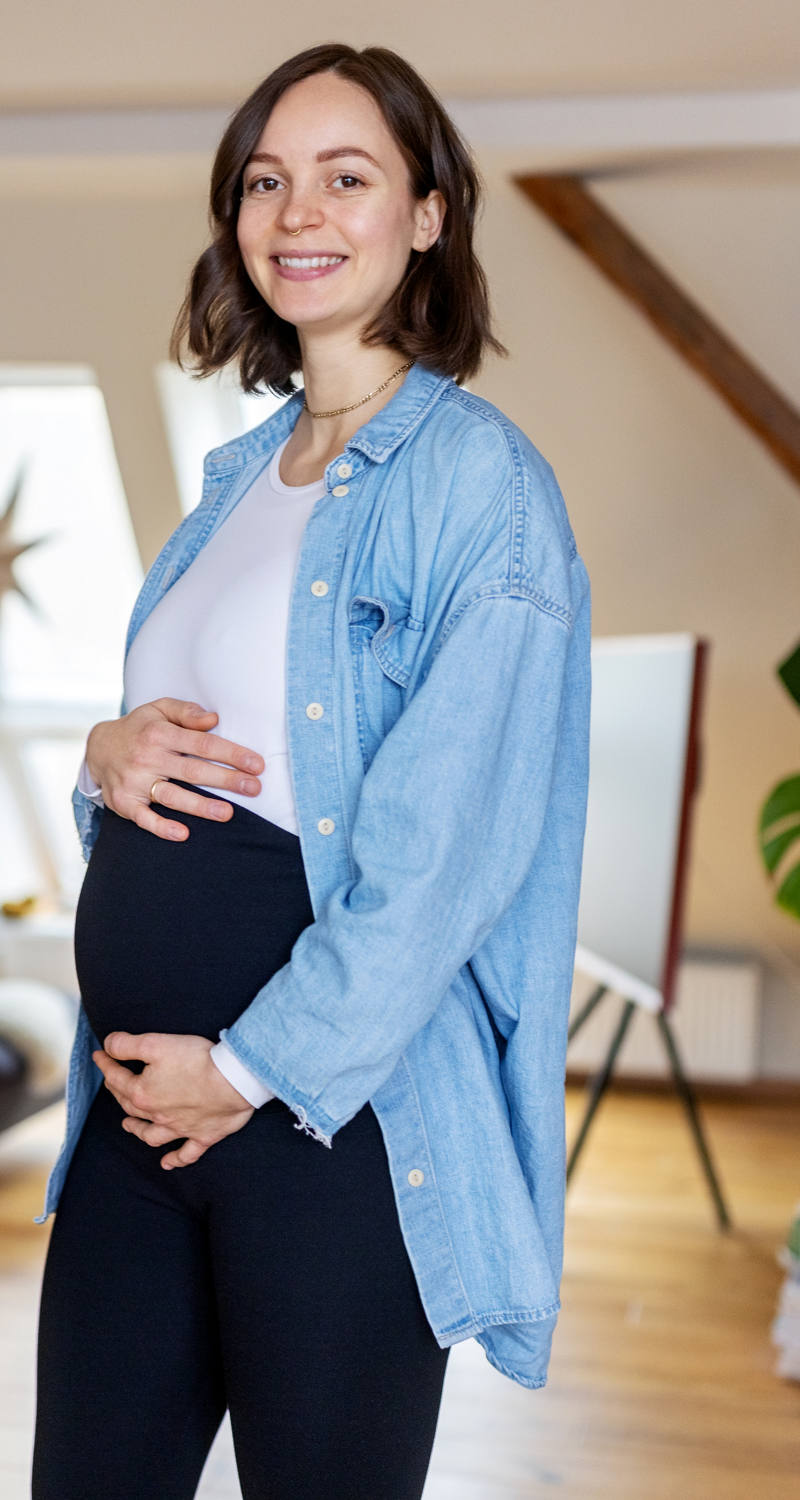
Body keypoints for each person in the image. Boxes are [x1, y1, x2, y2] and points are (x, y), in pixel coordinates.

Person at [31, 41, 592, 1500]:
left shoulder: (481, 486)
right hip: (134, 1122)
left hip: (327, 1131)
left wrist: (249, 1069)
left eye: (349, 177)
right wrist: (105, 754)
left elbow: (442, 859)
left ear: (426, 213)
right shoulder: (237, 479)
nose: (299, 212)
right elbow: (203, 753)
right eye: (267, 180)